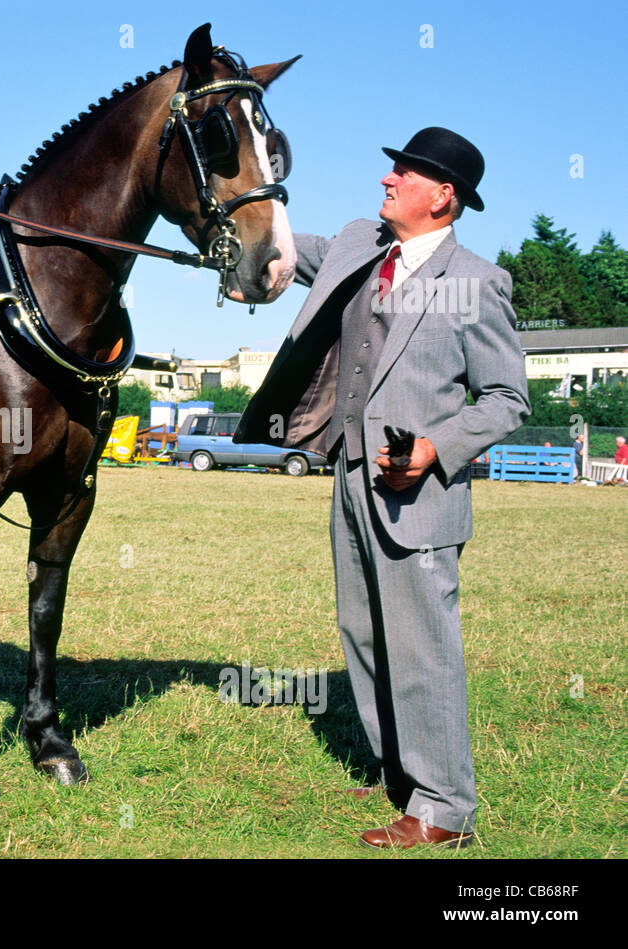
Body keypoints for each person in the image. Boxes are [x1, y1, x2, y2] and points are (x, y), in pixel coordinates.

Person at [235, 128, 530, 849]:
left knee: (423, 645)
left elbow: (506, 399)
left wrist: (436, 448)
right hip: (349, 479)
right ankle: (399, 768)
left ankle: (443, 808)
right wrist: (226, 218)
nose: (387, 180)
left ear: (443, 195)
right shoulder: (357, 246)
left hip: (419, 494)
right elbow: (270, 243)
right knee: (364, 634)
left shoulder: (479, 282)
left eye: (404, 172)